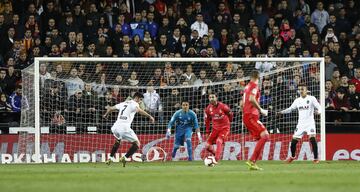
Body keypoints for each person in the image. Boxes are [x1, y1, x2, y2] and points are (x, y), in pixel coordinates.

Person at [104, 92, 155, 167]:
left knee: (119, 140)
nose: (140, 101)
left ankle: (110, 158)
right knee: (137, 144)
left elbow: (111, 108)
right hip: (124, 127)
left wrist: (106, 115)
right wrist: (149, 116)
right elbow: (139, 110)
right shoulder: (135, 103)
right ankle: (124, 158)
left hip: (115, 127)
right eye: (140, 100)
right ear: (136, 98)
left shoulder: (123, 103)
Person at [277, 83, 321, 164]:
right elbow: (290, 109)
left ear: (306, 90)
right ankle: (293, 157)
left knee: (312, 139)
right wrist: (282, 112)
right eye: (299, 89)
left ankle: (316, 158)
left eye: (302, 89)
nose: (301, 91)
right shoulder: (297, 100)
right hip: (300, 124)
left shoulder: (311, 98)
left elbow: (319, 106)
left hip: (310, 123)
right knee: (293, 143)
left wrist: (319, 111)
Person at [242, 70, 269, 170]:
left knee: (260, 138)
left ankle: (253, 162)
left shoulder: (247, 86)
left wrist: (244, 114)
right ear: (258, 76)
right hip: (251, 116)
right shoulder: (254, 86)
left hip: (247, 116)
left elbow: (242, 103)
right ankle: (252, 161)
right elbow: (251, 99)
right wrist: (261, 110)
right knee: (265, 136)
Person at [204, 93, 233, 164]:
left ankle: (216, 159)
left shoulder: (223, 106)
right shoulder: (208, 109)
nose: (211, 99)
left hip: (224, 128)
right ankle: (215, 155)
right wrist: (207, 132)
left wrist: (229, 121)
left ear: (216, 98)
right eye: (210, 97)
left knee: (219, 141)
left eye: (213, 97)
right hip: (215, 129)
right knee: (207, 146)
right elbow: (207, 121)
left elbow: (230, 114)